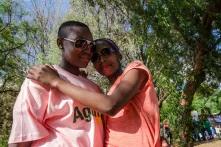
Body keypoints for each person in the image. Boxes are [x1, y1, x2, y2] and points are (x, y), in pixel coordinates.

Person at [27, 38, 161, 147]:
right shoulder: (105, 93)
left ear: (118, 55)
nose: (101, 60)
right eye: (95, 57)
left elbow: (111, 105)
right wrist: (80, 81)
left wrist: (56, 81)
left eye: (106, 52)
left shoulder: (135, 69)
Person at [8, 21, 104, 147]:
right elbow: (23, 135)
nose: (88, 51)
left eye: (91, 46)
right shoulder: (41, 78)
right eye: (80, 43)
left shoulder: (95, 88)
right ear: (60, 43)